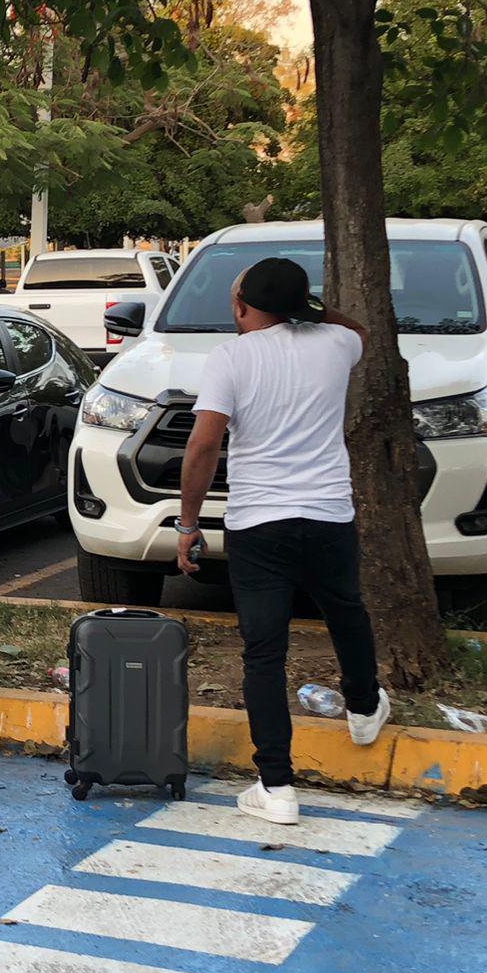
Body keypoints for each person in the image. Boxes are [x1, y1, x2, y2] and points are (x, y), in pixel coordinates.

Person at [176, 256, 391, 826]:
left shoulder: (230, 357)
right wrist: (312, 309)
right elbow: (359, 331)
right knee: (346, 610)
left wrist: (188, 524)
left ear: (242, 306)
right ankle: (365, 706)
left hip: (259, 524)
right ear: (304, 306)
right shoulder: (336, 344)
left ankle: (276, 787)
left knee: (264, 651)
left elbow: (202, 447)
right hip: (327, 514)